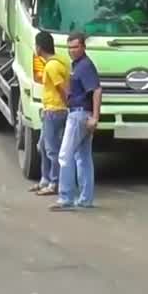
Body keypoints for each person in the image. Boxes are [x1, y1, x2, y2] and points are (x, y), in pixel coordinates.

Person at [52, 31, 102, 211]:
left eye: (75, 47)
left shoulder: (85, 66)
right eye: (69, 47)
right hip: (82, 114)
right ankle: (85, 199)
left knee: (65, 156)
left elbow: (96, 90)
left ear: (83, 47)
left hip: (79, 114)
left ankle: (66, 198)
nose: (72, 50)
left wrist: (95, 117)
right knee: (83, 157)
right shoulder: (78, 65)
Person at [30, 31, 69, 197]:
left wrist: (68, 104)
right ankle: (45, 179)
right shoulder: (59, 61)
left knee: (52, 149)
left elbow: (62, 88)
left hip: (54, 111)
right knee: (42, 146)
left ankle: (54, 183)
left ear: (39, 47)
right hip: (51, 111)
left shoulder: (52, 66)